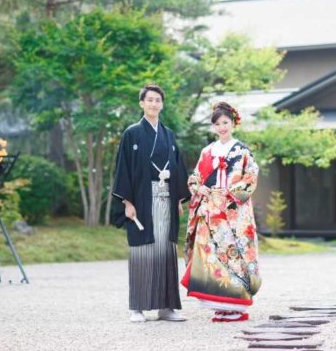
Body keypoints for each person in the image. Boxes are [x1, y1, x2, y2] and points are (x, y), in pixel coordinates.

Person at [112, 83, 190, 323]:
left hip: (166, 197)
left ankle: (166, 307)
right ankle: (137, 307)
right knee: (142, 250)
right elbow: (123, 169)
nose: (154, 104)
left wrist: (178, 197)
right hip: (142, 201)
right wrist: (127, 201)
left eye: (158, 100)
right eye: (150, 100)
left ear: (162, 104)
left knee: (165, 250)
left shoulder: (168, 134)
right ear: (142, 104)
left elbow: (177, 167)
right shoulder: (132, 133)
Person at [182, 101, 261, 322]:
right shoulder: (207, 151)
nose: (222, 127)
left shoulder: (242, 150)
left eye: (225, 122)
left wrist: (228, 193)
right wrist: (201, 189)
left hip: (234, 213)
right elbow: (195, 178)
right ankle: (220, 302)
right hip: (210, 212)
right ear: (213, 127)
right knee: (213, 256)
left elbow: (251, 177)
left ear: (233, 123)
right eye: (217, 124)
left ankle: (237, 304)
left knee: (235, 255)